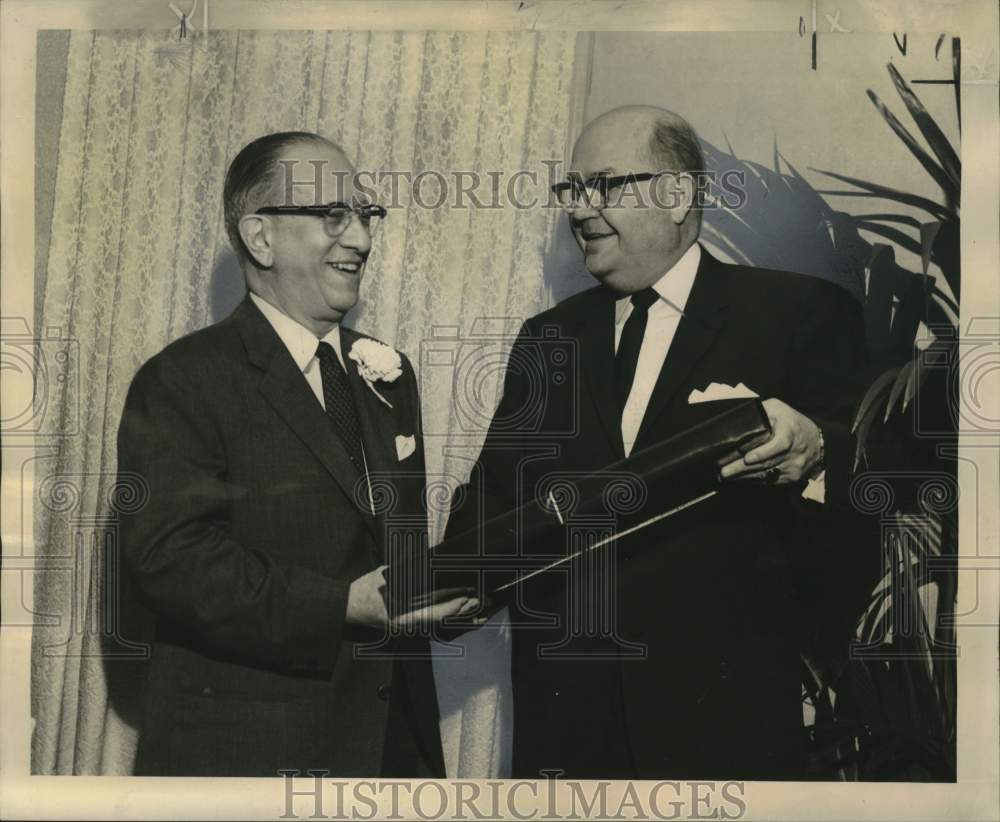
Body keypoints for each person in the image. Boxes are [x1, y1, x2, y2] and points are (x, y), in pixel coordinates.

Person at [442, 106, 874, 779]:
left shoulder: (796, 311)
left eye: (603, 185)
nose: (580, 208)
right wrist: (445, 584)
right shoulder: (547, 337)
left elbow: (868, 472)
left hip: (724, 728)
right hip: (567, 728)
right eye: (572, 190)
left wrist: (814, 446)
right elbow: (498, 498)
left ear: (676, 195)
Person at [115, 131, 476, 777]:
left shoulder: (389, 377)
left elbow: (390, 556)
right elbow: (170, 559)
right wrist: (340, 605)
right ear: (260, 237)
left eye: (365, 215)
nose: (361, 240)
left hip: (390, 752)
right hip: (250, 757)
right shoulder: (182, 379)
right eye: (333, 214)